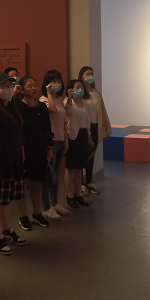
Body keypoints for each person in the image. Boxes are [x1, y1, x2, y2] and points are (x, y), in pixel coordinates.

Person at [0, 73, 27, 255]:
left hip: (13, 160)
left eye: (10, 85)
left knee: (6, 200)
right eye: (4, 85)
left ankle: (7, 231)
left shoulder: (12, 106)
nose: (9, 88)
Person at [15, 76, 53, 231]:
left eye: (35, 85)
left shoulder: (42, 107)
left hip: (40, 149)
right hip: (23, 150)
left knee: (37, 183)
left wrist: (49, 148)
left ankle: (37, 213)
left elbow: (47, 128)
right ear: (22, 89)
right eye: (29, 86)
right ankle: (23, 216)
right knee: (23, 184)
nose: (33, 88)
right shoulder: (17, 106)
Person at [39, 70, 70, 220]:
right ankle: (46, 207)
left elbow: (64, 122)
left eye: (59, 80)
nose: (57, 83)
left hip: (61, 141)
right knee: (48, 175)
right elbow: (51, 110)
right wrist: (49, 93)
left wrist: (66, 141)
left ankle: (54, 202)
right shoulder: (44, 99)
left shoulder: (60, 99)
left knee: (56, 175)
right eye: (53, 81)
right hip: (50, 142)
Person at [78, 66, 113, 195]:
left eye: (91, 74)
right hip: (83, 128)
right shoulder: (80, 92)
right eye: (87, 74)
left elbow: (102, 112)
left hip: (95, 127)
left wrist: (106, 129)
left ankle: (89, 182)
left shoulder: (96, 93)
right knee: (82, 155)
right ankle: (80, 183)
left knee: (91, 155)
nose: (90, 76)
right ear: (82, 76)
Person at [64, 80, 92, 209]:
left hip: (82, 135)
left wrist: (89, 137)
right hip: (71, 136)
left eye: (81, 87)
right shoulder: (67, 102)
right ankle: (70, 196)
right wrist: (70, 97)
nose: (80, 89)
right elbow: (68, 113)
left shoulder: (83, 104)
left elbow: (87, 122)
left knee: (79, 168)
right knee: (71, 167)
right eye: (77, 87)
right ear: (70, 89)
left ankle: (77, 194)